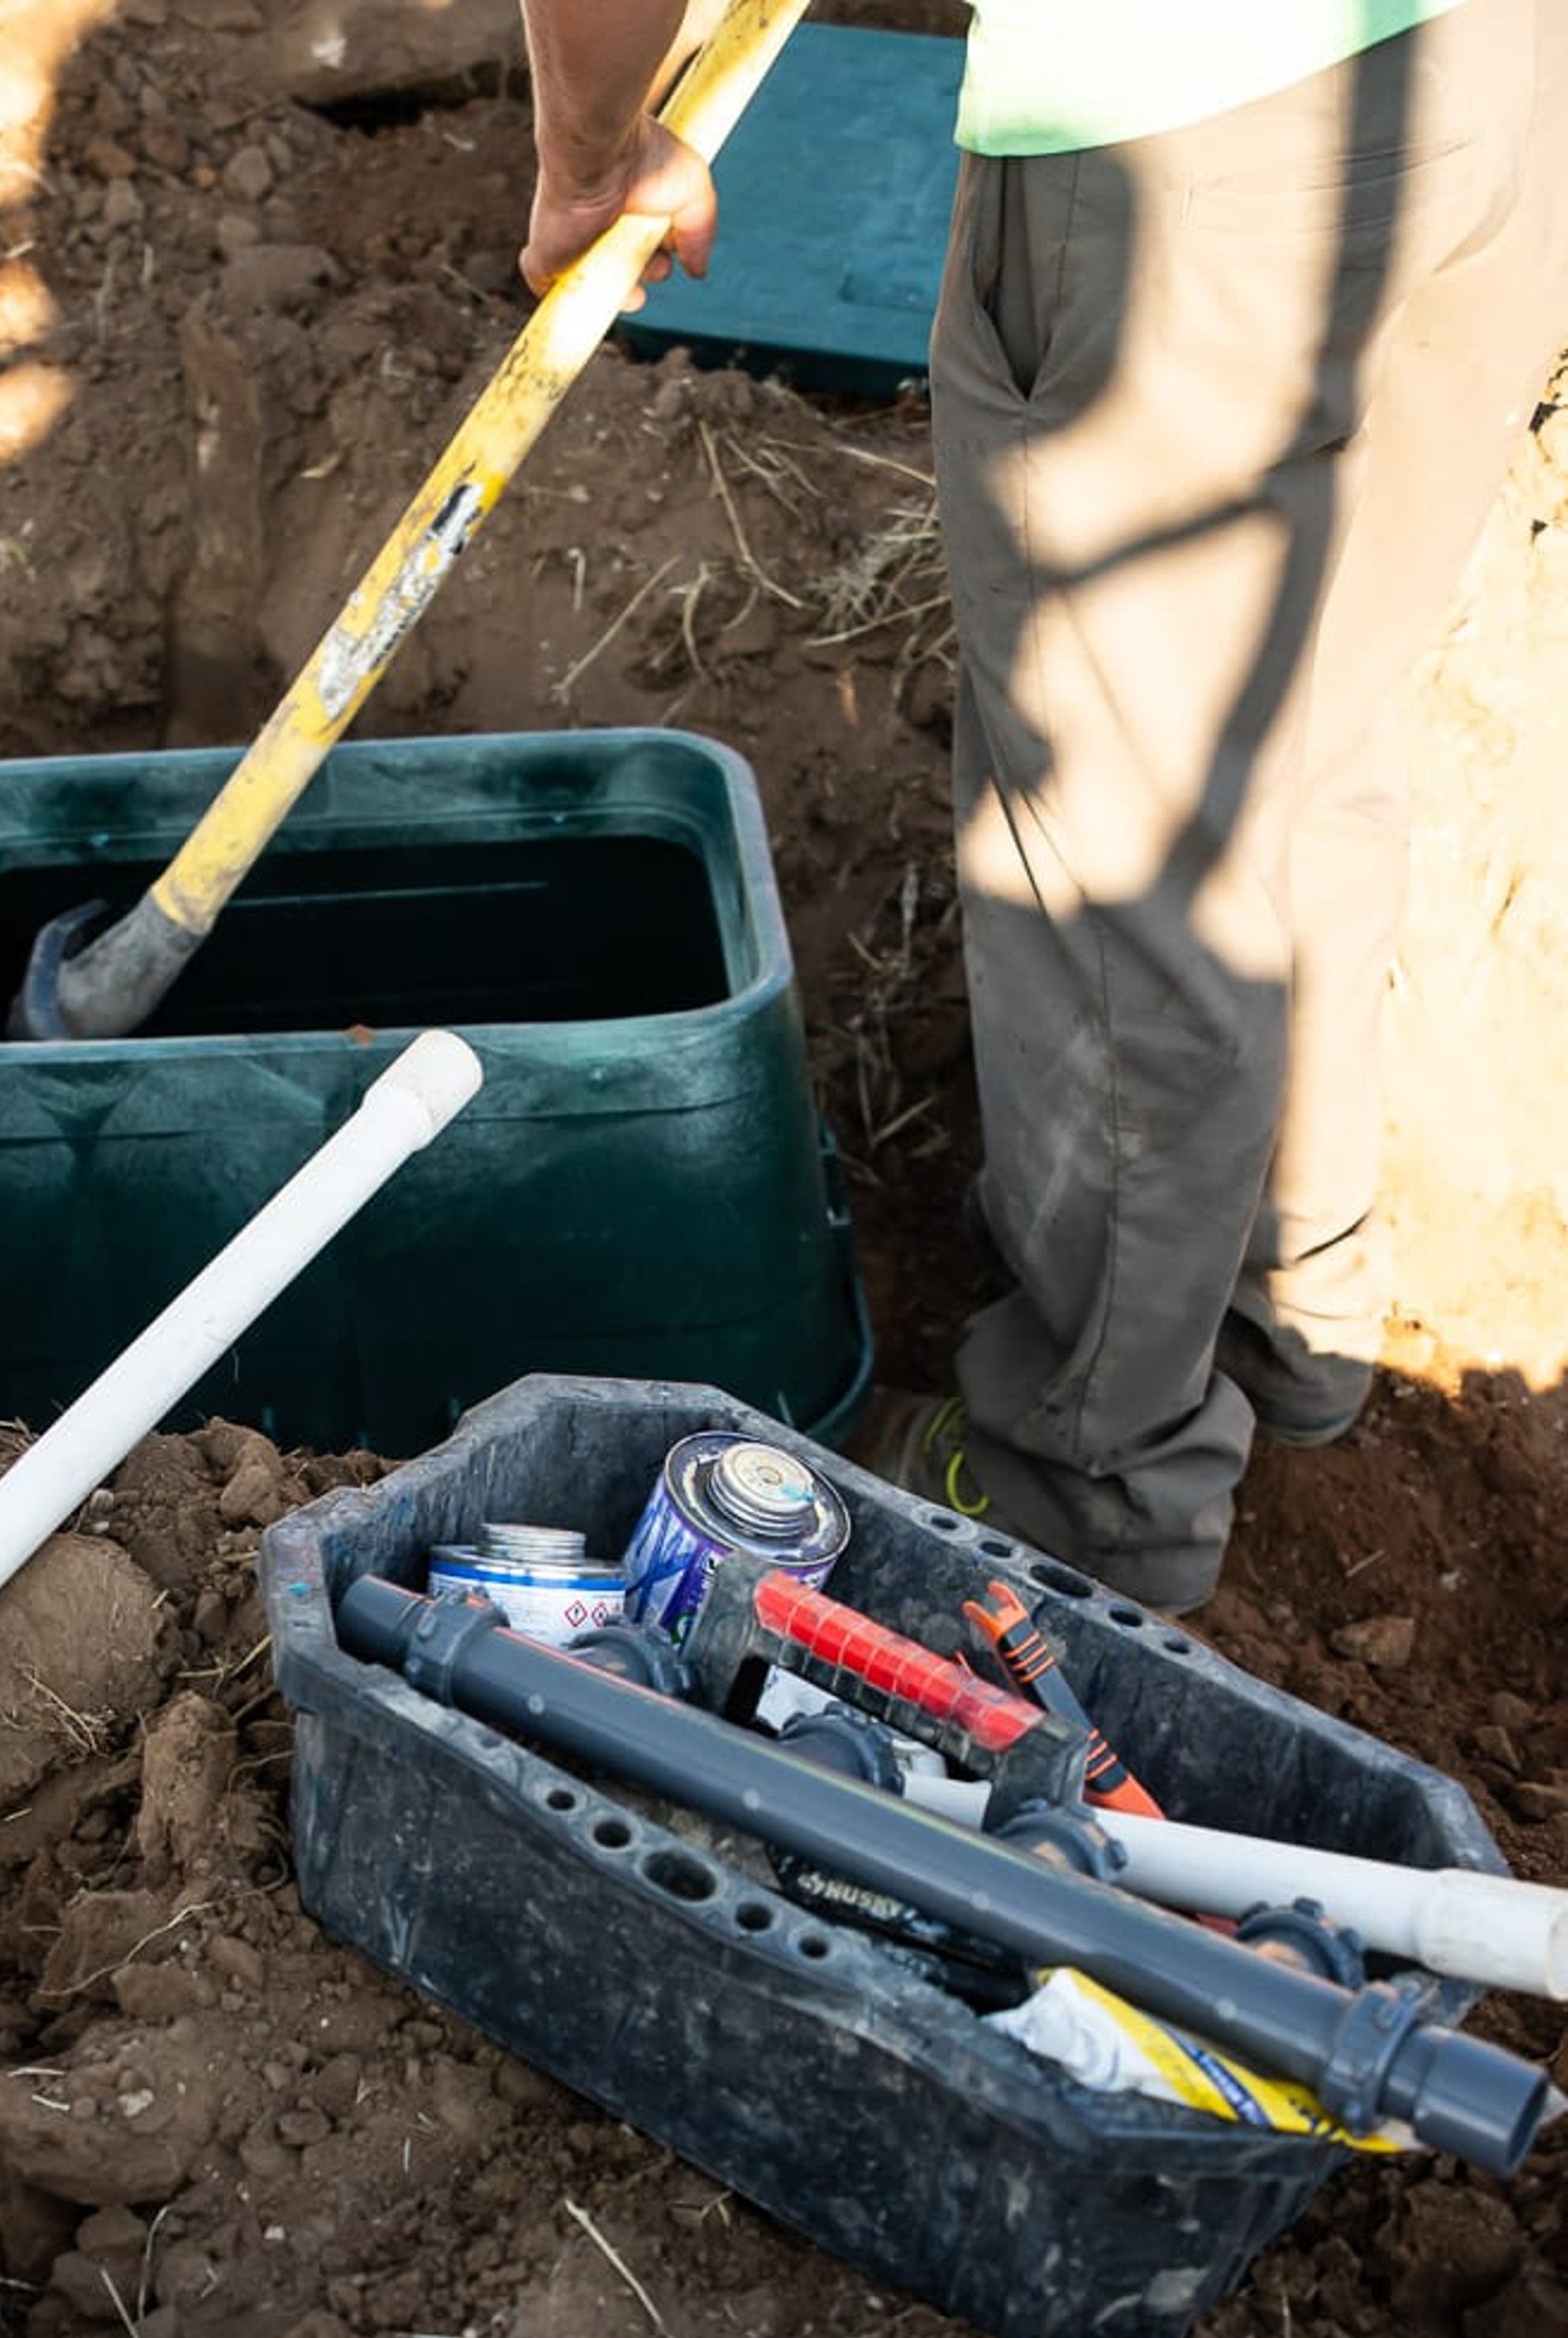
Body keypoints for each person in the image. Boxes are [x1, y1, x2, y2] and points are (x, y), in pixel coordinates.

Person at [517, 0, 1568, 1614]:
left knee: (1117, 837)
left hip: (1196, 130)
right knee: (1313, 719)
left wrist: (592, 150)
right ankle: (1302, 1313)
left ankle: (1091, 1487)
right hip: (1504, 71)